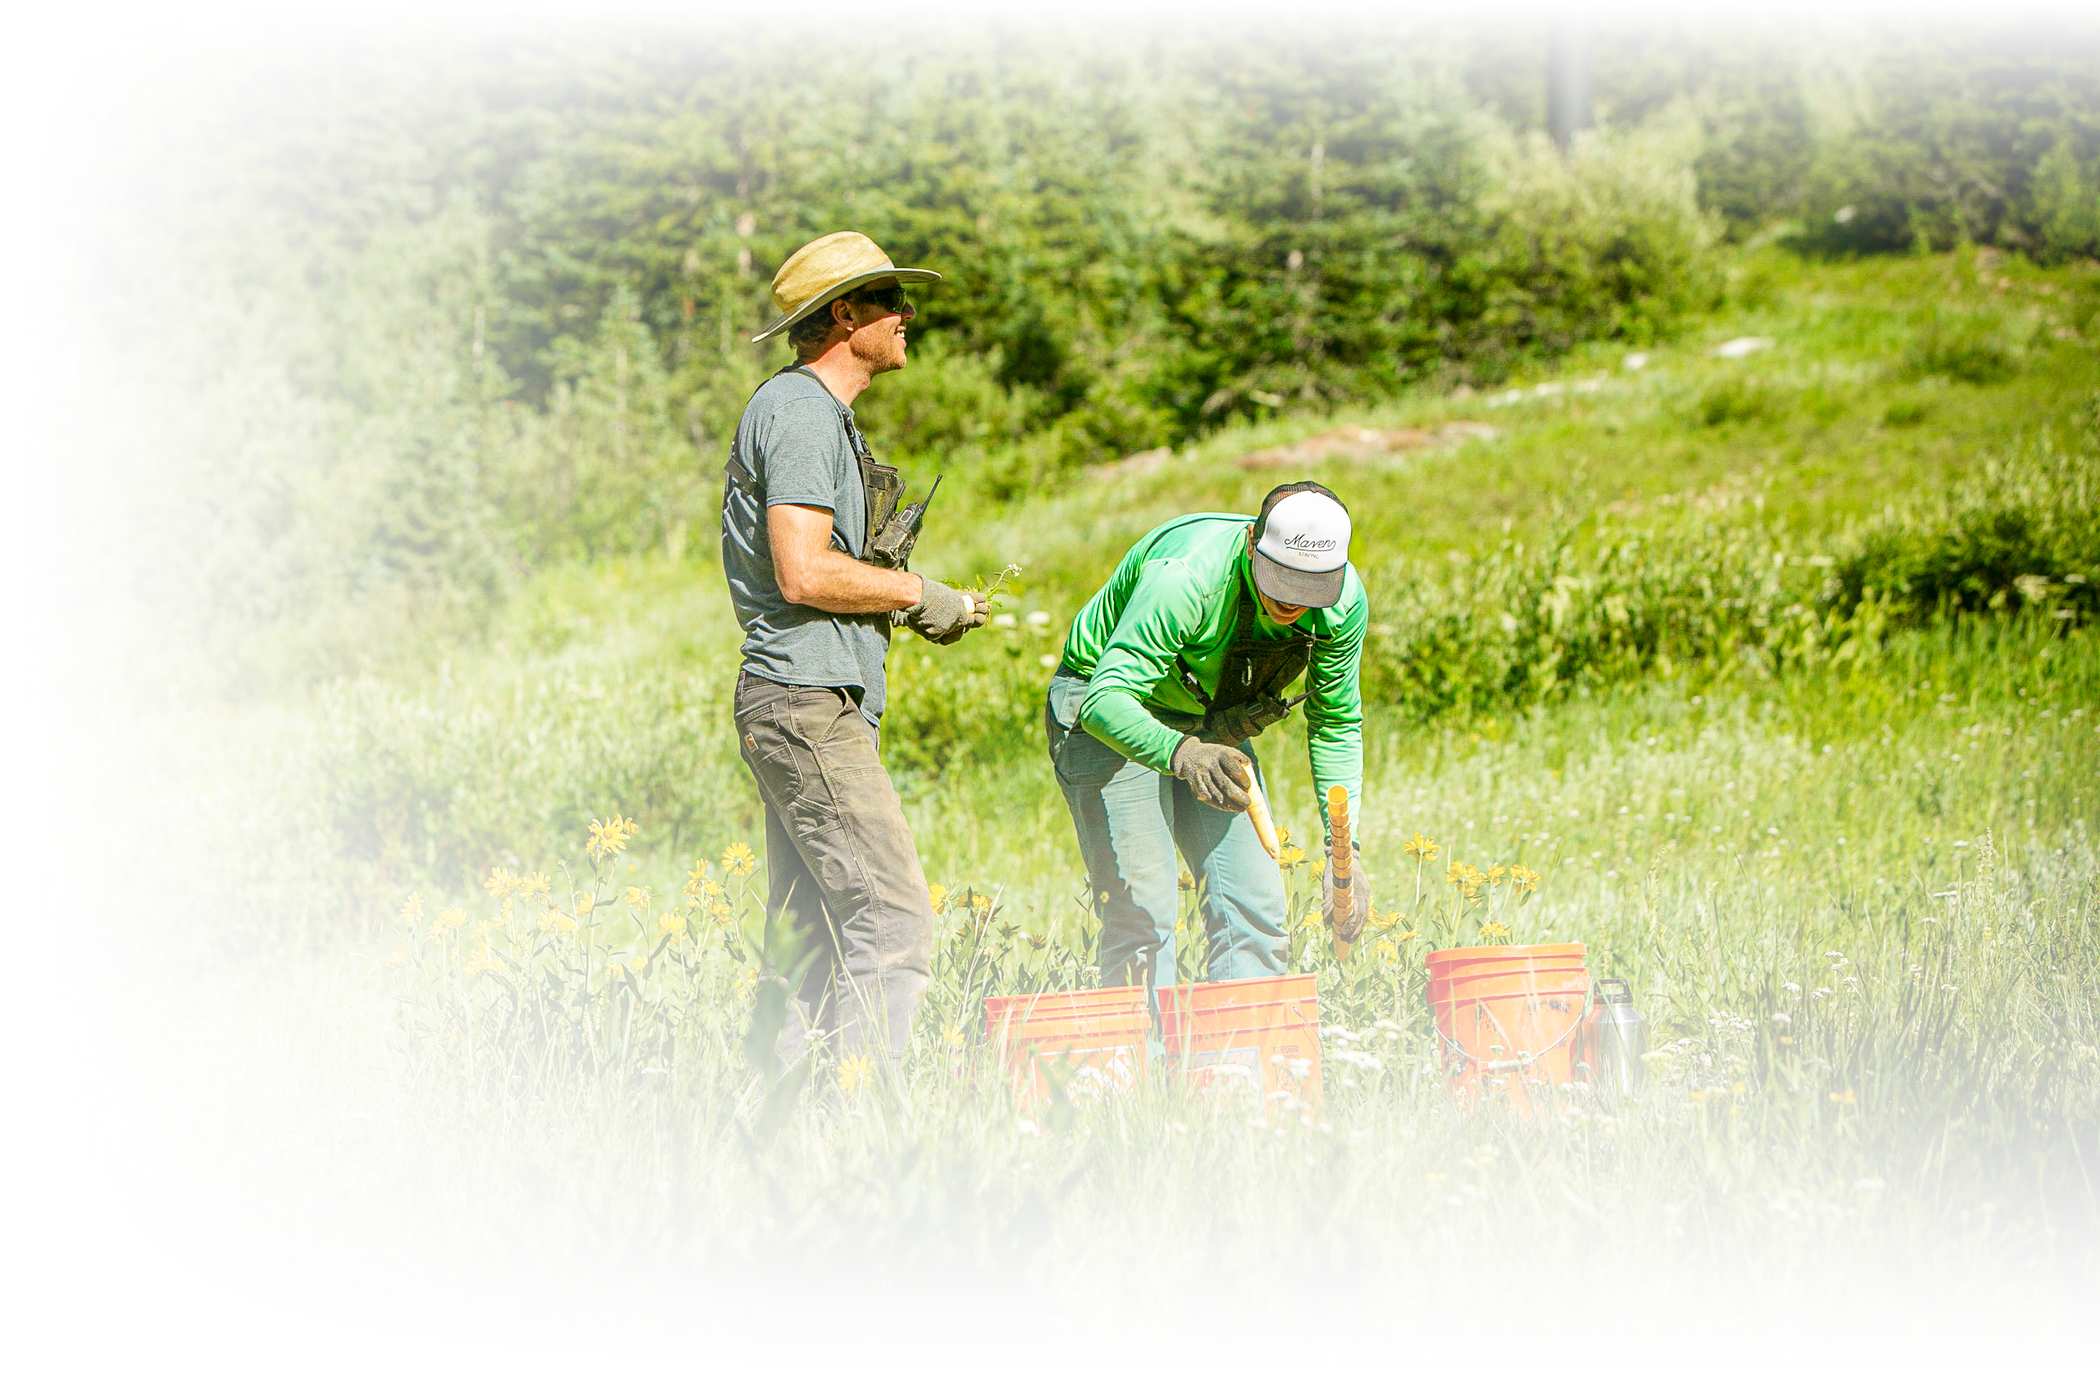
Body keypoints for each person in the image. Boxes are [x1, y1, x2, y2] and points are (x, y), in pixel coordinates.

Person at [720, 231, 989, 1063]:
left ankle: (777, 1119)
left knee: (807, 942)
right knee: (893, 921)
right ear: (844, 314)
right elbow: (802, 571)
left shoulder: (815, 414)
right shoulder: (801, 411)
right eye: (890, 300)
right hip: (807, 702)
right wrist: (919, 594)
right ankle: (865, 1116)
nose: (908, 315)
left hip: (808, 700)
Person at [1045, 482, 1373, 997]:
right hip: (1107, 709)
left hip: (1208, 724)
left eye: (1310, 589)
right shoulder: (1186, 577)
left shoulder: (1343, 603)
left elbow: (1335, 722)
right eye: (1282, 583)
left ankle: (1239, 1049)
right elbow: (1105, 700)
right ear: (1252, 544)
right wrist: (1182, 754)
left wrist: (1343, 850)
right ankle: (1141, 1051)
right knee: (1143, 919)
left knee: (1255, 914)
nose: (1293, 603)